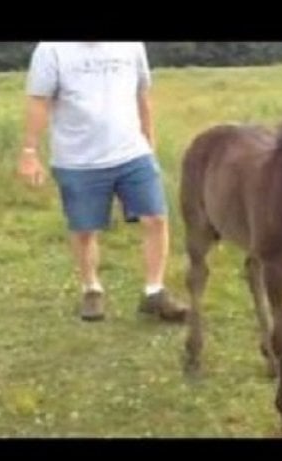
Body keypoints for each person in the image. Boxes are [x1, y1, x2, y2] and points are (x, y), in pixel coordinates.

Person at [17, 42, 187, 322]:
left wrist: (149, 143)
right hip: (78, 160)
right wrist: (29, 152)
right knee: (84, 230)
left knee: (156, 218)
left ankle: (154, 291)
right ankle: (91, 288)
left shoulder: (131, 46)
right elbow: (39, 101)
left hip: (133, 153)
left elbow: (142, 94)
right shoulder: (51, 50)